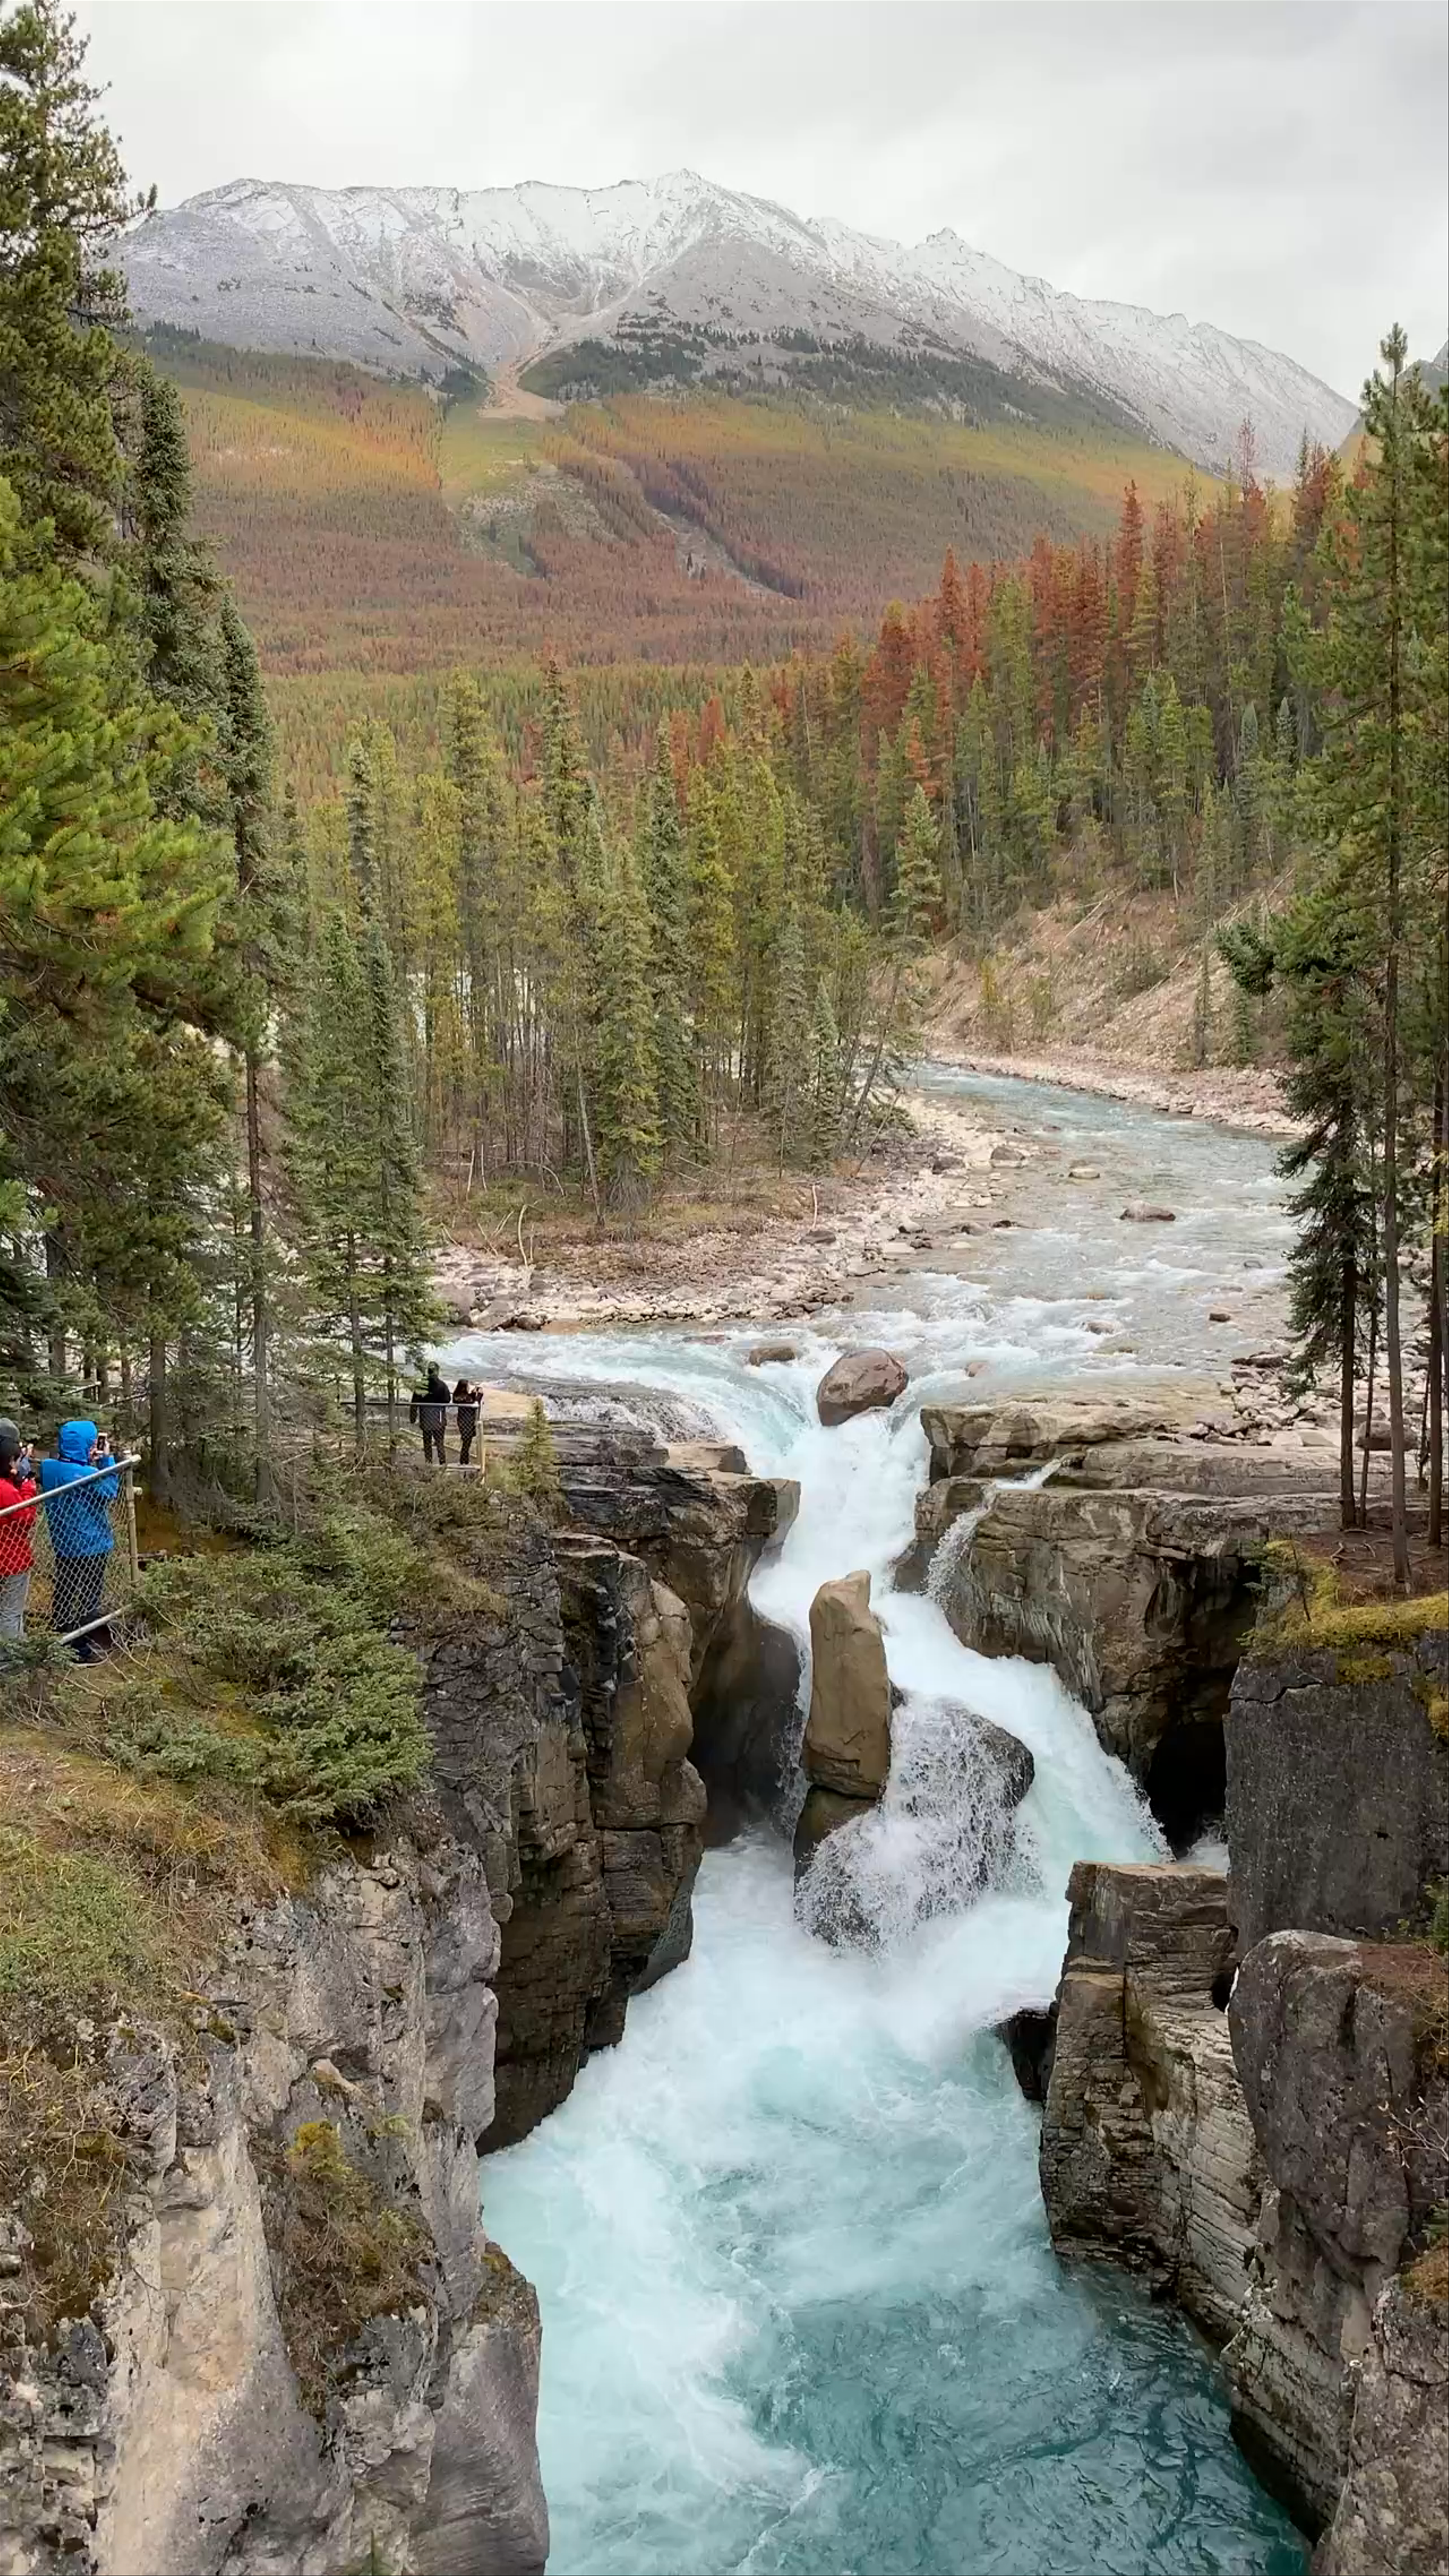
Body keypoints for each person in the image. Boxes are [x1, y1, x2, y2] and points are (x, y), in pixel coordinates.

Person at [39, 1418, 118, 1657]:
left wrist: (86, 1459)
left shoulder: (49, 1468)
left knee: (64, 1590)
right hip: (92, 1545)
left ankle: (60, 1632)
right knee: (89, 1597)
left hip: (64, 1545)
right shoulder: (86, 1474)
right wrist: (106, 1459)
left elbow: (69, 1470)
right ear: (86, 1444)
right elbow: (110, 1490)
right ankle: (80, 1647)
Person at [0, 1419, 37, 1641]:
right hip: (12, 1560)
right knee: (11, 1612)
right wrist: (28, 1487)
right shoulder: (6, 1490)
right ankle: (12, 1660)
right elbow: (26, 1518)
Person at [409, 1364, 453, 1466]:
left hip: (425, 1418)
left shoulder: (421, 1385)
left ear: (428, 1371)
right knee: (440, 1442)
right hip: (439, 1418)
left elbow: (414, 1402)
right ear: (437, 1371)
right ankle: (443, 1464)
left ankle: (429, 1464)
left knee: (427, 1443)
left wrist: (413, 1418)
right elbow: (447, 1400)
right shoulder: (442, 1385)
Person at [454, 1377, 480, 1469]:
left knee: (466, 1442)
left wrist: (473, 1394)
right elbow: (475, 1403)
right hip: (468, 1422)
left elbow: (469, 1400)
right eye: (468, 1386)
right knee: (467, 1443)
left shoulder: (459, 1396)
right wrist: (477, 1395)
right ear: (465, 1387)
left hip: (462, 1421)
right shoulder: (467, 1398)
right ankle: (464, 1462)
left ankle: (465, 1461)